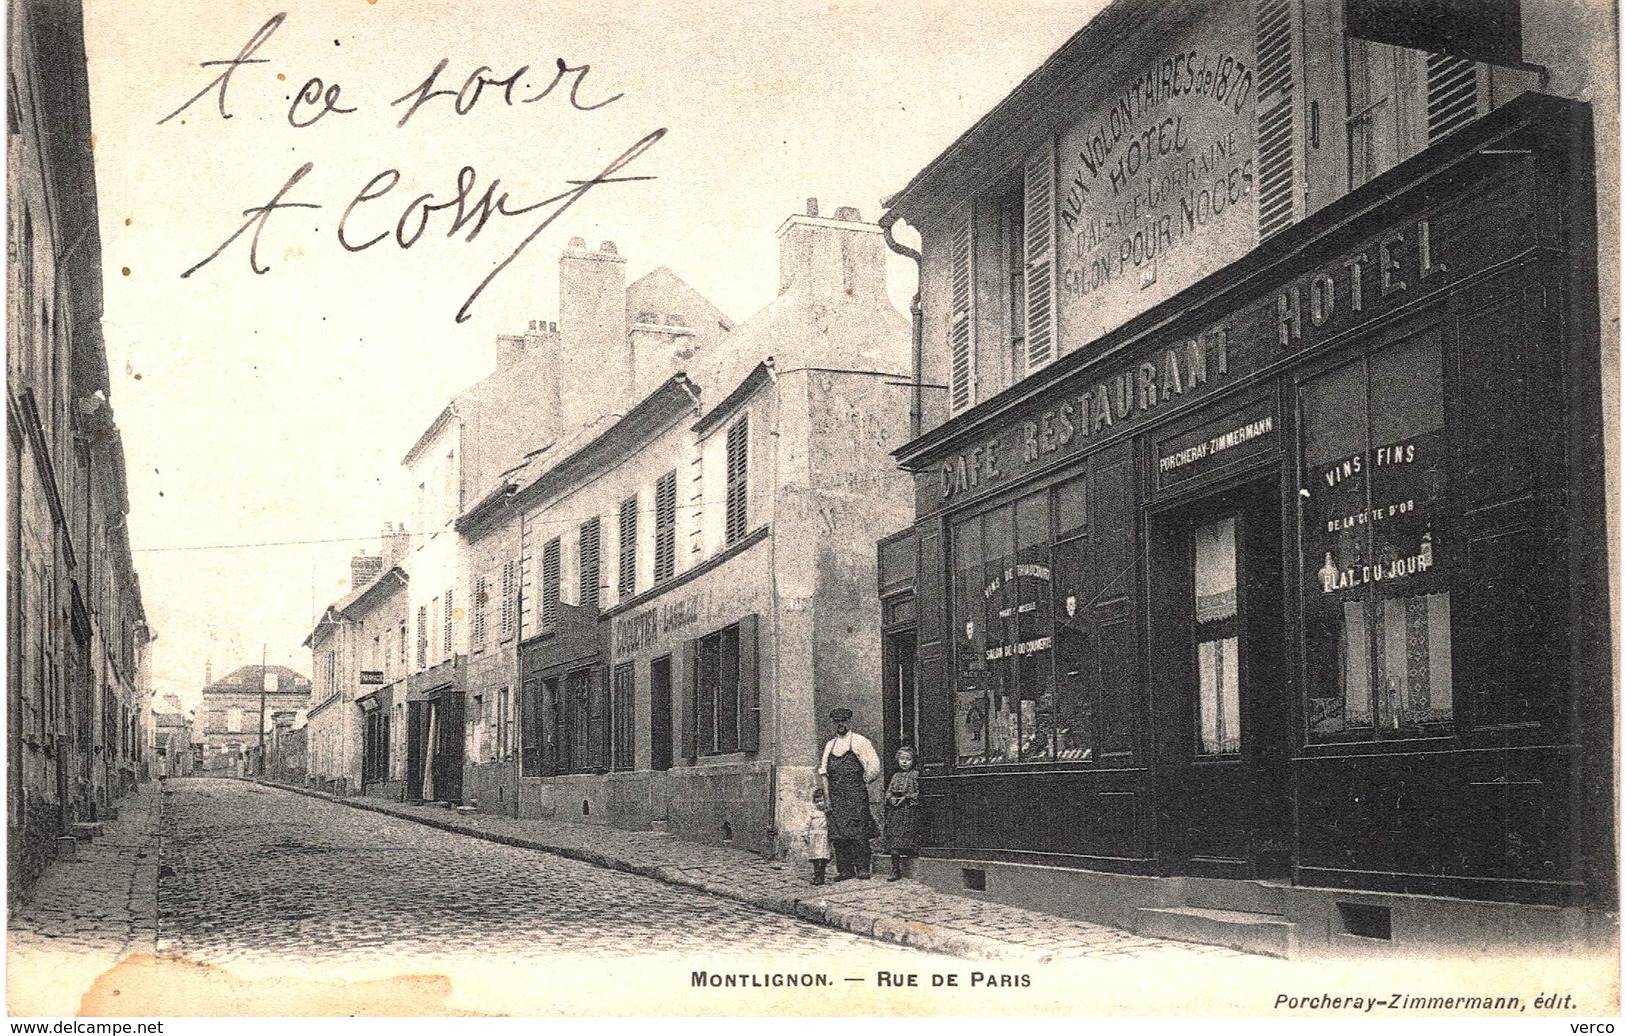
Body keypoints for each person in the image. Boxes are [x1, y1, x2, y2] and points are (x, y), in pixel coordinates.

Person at [817, 707, 880, 880]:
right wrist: (828, 798)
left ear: (849, 722)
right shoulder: (830, 746)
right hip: (836, 795)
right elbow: (824, 773)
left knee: (858, 832)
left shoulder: (860, 742)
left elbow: (874, 767)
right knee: (838, 835)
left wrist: (862, 784)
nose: (840, 725)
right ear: (833, 724)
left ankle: (862, 868)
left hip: (855, 794)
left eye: (843, 721)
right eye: (837, 722)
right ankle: (845, 870)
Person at [882, 745, 920, 881]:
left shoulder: (916, 775)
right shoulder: (895, 776)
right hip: (895, 811)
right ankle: (895, 868)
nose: (904, 762)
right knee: (894, 838)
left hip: (908, 810)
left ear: (913, 761)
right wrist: (891, 799)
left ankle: (911, 855)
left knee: (907, 835)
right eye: (902, 759)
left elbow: (918, 792)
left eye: (908, 759)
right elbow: (889, 791)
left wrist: (907, 798)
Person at [800, 787, 833, 885]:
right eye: (817, 801)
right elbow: (807, 824)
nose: (819, 804)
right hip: (814, 837)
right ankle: (816, 875)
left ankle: (821, 876)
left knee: (823, 857)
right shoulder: (812, 813)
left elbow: (831, 825)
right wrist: (805, 834)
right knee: (815, 857)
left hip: (824, 837)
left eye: (822, 801)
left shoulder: (827, 813)